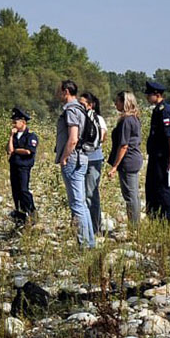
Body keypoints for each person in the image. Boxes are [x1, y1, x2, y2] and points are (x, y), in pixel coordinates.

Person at [55, 80, 95, 249]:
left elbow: (73, 138)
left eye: (60, 91)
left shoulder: (71, 110)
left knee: (77, 204)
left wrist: (64, 157)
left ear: (65, 91)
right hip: (82, 157)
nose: (58, 94)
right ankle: (89, 242)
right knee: (82, 203)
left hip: (73, 158)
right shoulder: (81, 109)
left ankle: (84, 244)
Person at [107, 90, 144, 226]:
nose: (115, 103)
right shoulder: (134, 118)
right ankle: (136, 224)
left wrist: (115, 166)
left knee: (130, 195)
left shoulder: (127, 121)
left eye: (117, 101)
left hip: (128, 160)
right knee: (133, 194)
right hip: (134, 158)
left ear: (124, 102)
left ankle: (134, 226)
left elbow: (123, 145)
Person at [144, 80, 170, 220]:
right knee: (152, 187)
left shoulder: (165, 111)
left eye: (149, 94)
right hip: (154, 156)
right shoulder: (157, 110)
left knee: (162, 188)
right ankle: (154, 216)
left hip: (162, 157)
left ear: (156, 94)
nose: (147, 97)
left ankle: (166, 219)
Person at [79, 92, 107, 234]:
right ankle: (86, 226)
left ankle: (95, 227)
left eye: (83, 103)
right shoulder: (82, 117)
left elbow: (102, 138)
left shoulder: (97, 119)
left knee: (91, 193)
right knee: (82, 194)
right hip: (85, 158)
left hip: (92, 159)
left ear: (91, 105)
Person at [7, 106, 38, 222]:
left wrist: (15, 150)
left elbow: (28, 151)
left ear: (23, 122)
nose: (14, 124)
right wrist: (11, 136)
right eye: (13, 122)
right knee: (15, 190)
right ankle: (20, 212)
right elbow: (9, 150)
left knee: (24, 189)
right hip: (14, 164)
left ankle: (31, 211)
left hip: (24, 165)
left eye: (16, 122)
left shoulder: (30, 135)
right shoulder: (14, 136)